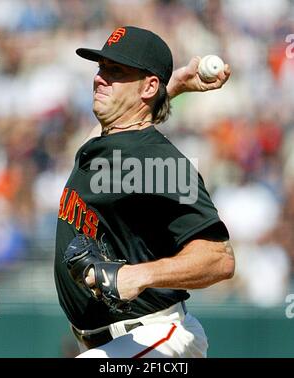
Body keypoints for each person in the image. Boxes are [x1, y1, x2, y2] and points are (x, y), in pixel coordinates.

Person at [54, 26, 234, 358]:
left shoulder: (157, 161)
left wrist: (138, 275)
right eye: (101, 68)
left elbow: (219, 258)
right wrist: (174, 85)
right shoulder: (104, 143)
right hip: (112, 345)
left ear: (149, 86)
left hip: (156, 338)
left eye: (116, 71)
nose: (100, 78)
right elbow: (120, 127)